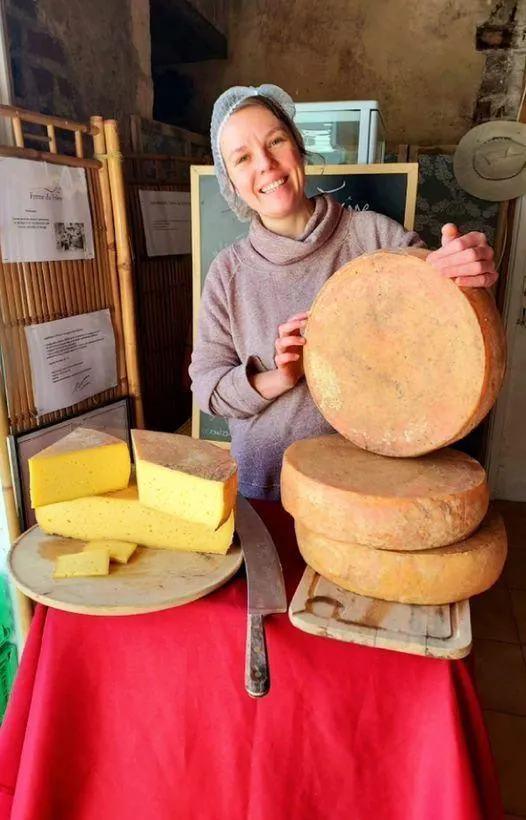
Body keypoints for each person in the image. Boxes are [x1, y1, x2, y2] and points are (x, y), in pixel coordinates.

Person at [189, 84, 498, 502]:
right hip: (265, 489)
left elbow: (445, 339)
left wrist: (469, 282)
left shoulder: (375, 237)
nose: (265, 164)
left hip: (370, 491)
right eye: (242, 158)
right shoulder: (228, 273)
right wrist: (280, 377)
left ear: (298, 147)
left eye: (275, 141)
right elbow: (207, 389)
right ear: (230, 181)